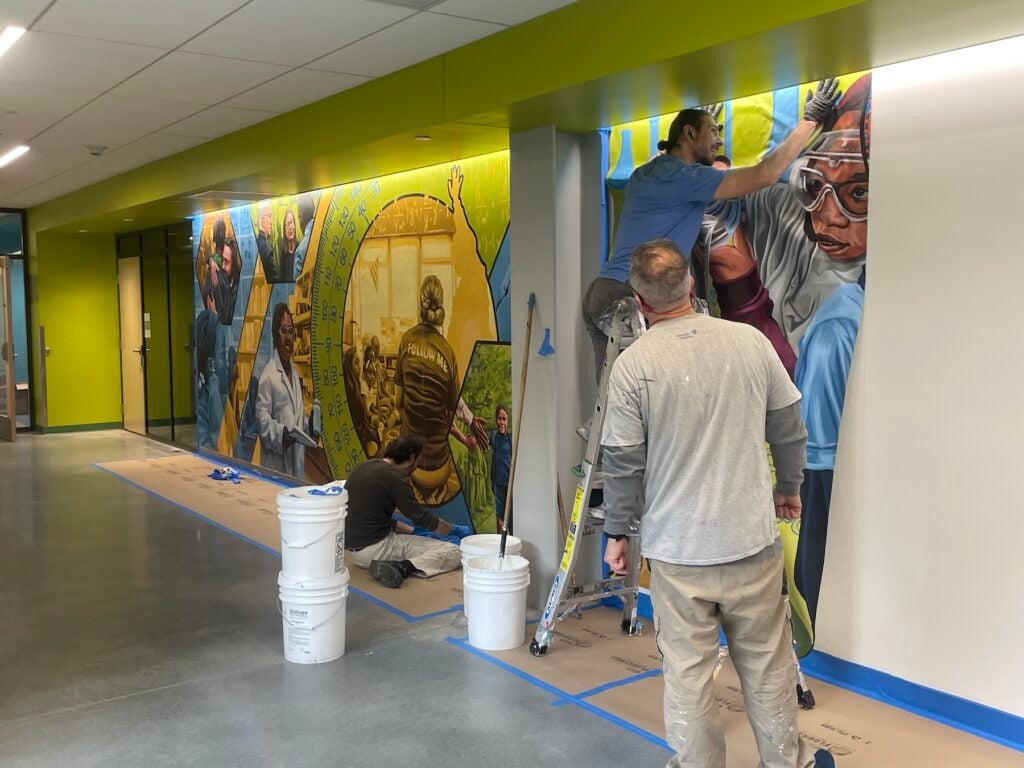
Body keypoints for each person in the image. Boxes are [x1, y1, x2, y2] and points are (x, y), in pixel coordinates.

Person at [600, 240, 833, 768]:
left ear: (640, 303)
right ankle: (787, 763)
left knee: (688, 673)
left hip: (678, 555)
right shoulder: (749, 342)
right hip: (750, 542)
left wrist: (618, 534)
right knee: (769, 667)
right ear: (690, 286)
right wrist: (789, 488)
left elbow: (622, 463)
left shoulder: (635, 367)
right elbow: (789, 429)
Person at [582, 79, 841, 379]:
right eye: (713, 132)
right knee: (650, 395)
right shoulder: (684, 178)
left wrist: (701, 141)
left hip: (602, 293)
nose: (719, 141)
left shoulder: (648, 171)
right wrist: (809, 121)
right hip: (629, 298)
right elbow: (764, 174)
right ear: (688, 134)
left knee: (618, 399)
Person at [345, 435, 471, 588]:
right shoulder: (394, 478)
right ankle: (402, 567)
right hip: (376, 550)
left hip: (355, 551)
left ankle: (394, 563)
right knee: (454, 551)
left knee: (416, 540)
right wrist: (454, 530)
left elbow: (372, 517)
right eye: (417, 463)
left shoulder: (364, 467)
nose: (416, 468)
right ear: (411, 457)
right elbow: (423, 518)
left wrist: (413, 531)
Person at [394, 275, 460, 504]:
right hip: (438, 467)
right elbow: (452, 415)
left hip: (407, 462)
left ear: (420, 304)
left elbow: (397, 401)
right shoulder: (449, 353)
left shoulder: (406, 340)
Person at [256, 303, 318, 477]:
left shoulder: (295, 374)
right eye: (284, 331)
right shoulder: (268, 376)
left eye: (291, 331)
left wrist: (308, 424)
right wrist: (280, 434)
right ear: (276, 335)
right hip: (276, 467)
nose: (289, 337)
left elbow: (295, 420)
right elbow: (262, 421)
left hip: (296, 468)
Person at [490, 404, 512, 530]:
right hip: (498, 484)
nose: (502, 422)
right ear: (496, 420)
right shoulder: (493, 437)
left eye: (504, 419)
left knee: (512, 518)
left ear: (507, 420)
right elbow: (481, 440)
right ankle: (500, 545)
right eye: (499, 418)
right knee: (500, 517)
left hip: (510, 486)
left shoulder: (511, 439)